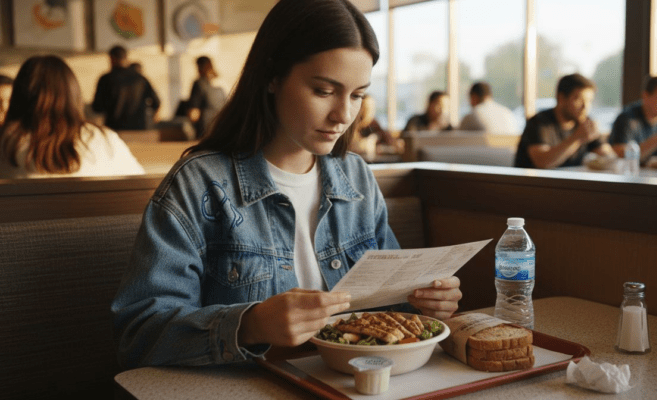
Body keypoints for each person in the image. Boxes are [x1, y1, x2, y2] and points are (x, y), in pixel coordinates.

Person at [111, 0, 461, 369]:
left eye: (357, 95)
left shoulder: (356, 177)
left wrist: (425, 303)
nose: (344, 115)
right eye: (323, 91)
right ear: (272, 77)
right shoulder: (200, 184)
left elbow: (390, 307)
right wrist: (251, 325)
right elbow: (139, 333)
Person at [0, 56, 144, 178]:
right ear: (74, 94)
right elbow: (142, 187)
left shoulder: (6, 143)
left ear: (18, 97)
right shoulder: (104, 140)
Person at [513, 73, 615, 169]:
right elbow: (542, 162)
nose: (585, 107)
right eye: (579, 100)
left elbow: (608, 155)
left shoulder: (585, 123)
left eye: (589, 101)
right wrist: (577, 138)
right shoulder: (539, 122)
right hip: (534, 181)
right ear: (561, 98)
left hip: (570, 181)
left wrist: (603, 159)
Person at [92, 45, 161, 130]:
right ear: (126, 57)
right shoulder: (140, 79)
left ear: (112, 58)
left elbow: (97, 107)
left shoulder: (106, 79)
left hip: (115, 129)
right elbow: (156, 103)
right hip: (139, 128)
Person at [187, 56, 227, 138]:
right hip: (221, 126)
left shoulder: (199, 83)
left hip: (204, 128)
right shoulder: (220, 82)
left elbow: (194, 114)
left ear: (199, 67)